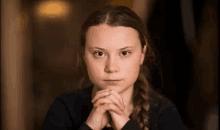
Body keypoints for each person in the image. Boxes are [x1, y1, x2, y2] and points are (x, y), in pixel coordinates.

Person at [42, 5, 187, 130]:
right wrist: (90, 126)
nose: (111, 68)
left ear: (142, 54)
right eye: (99, 53)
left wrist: (125, 124)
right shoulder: (64, 109)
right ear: (84, 56)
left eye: (124, 53)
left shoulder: (164, 112)